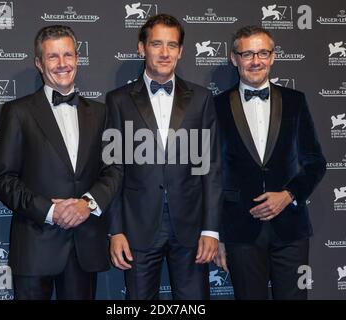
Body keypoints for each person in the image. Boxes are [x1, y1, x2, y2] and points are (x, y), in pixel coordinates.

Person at [0, 25, 122, 300]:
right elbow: (3, 179)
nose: (62, 64)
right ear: (39, 63)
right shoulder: (17, 112)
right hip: (35, 247)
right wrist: (50, 211)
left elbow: (114, 169)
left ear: (77, 58)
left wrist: (88, 204)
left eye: (68, 55)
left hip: (84, 246)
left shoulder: (101, 113)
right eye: (53, 57)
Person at [106, 14, 222, 300]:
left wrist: (211, 229)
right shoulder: (118, 100)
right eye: (156, 43)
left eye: (172, 45)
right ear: (141, 48)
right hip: (138, 226)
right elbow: (112, 168)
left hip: (192, 226)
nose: (164, 52)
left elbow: (211, 167)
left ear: (181, 51)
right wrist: (115, 230)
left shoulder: (201, 98)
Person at [213, 25, 326, 300]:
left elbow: (315, 162)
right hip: (240, 229)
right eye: (248, 53)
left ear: (273, 57)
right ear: (234, 58)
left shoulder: (295, 101)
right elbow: (209, 173)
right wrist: (216, 234)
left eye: (263, 52)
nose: (256, 61)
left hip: (291, 230)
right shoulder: (214, 107)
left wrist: (288, 195)